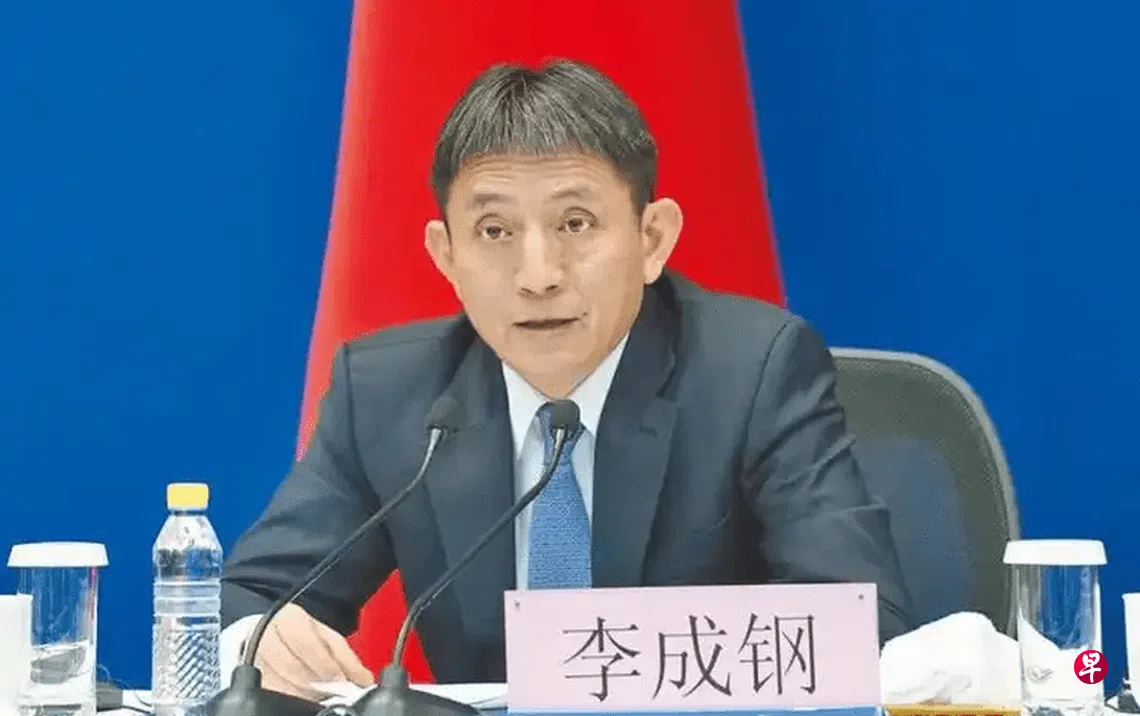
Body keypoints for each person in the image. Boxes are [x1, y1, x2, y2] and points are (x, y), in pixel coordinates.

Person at [220, 59, 912, 700]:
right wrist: (261, 638)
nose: (538, 275)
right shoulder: (389, 392)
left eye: (575, 223)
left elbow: (864, 624)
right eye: (495, 232)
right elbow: (249, 597)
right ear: (446, 254)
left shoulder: (752, 370)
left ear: (652, 239)